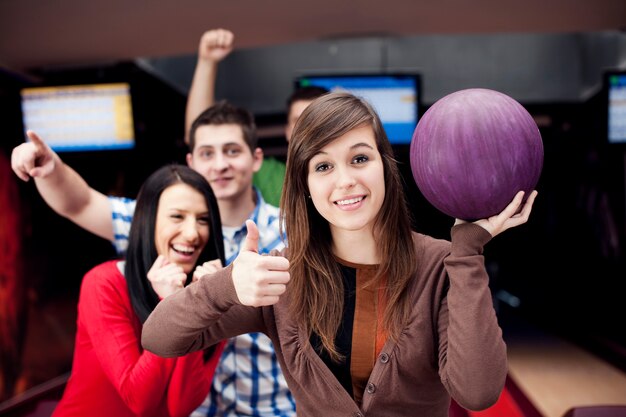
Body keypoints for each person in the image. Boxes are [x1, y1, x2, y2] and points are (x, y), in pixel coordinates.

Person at [141, 92, 539, 417]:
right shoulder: (281, 274)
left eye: (360, 158)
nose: (345, 181)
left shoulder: (440, 264)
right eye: (323, 166)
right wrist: (226, 284)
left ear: (385, 165)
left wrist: (468, 251)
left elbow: (478, 392)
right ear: (306, 185)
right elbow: (159, 338)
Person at [11, 100, 295, 417]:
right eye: (207, 154)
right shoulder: (149, 227)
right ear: (191, 161)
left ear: (256, 158)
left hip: (270, 407)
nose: (219, 164)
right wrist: (50, 169)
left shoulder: (292, 233)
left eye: (232, 151)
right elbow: (80, 203)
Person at [51, 164, 226, 417]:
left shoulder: (209, 293)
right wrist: (170, 305)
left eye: (203, 220)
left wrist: (195, 307)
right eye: (177, 216)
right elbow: (139, 399)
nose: (192, 233)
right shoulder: (104, 283)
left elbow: (180, 406)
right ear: (148, 220)